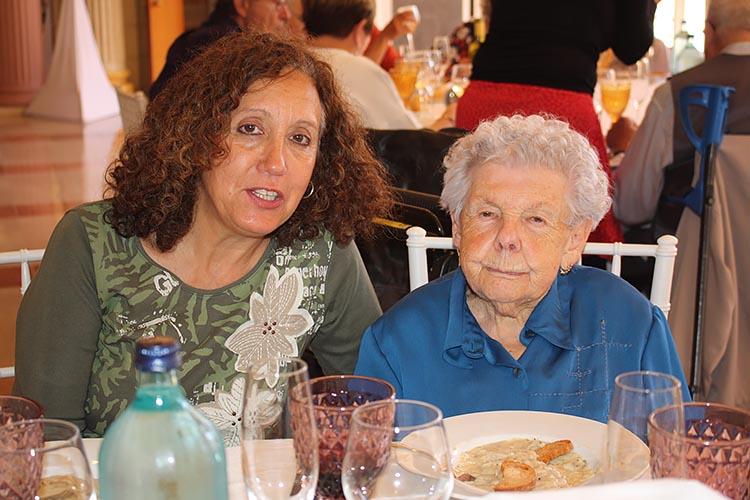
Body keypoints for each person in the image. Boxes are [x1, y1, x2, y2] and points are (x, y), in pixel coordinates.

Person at [15, 32, 393, 442]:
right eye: (250, 129)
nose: (276, 163)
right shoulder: (93, 245)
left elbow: (376, 408)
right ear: (196, 136)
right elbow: (48, 441)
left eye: (300, 138)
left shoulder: (320, 255)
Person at [355, 115, 688, 422]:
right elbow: (371, 461)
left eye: (536, 219)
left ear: (574, 239)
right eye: (487, 214)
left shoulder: (630, 325)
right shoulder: (396, 342)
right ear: (457, 226)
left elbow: (677, 453)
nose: (507, 239)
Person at [455, 0, 658, 245]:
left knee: (482, 216)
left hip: (486, 95)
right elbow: (632, 46)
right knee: (577, 226)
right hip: (562, 102)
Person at [613, 0, 750, 231]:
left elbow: (631, 207)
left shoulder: (676, 94)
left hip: (690, 248)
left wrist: (621, 151)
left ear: (709, 31)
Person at [303, 0, 454, 130]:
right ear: (360, 30)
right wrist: (447, 119)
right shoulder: (364, 71)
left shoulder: (295, 63)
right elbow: (411, 139)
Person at [149, 0, 292, 99]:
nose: (286, 15)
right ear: (242, 5)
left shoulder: (203, 36)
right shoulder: (225, 46)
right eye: (278, 4)